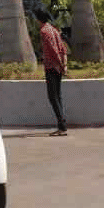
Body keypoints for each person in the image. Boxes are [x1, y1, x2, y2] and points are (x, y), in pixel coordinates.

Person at [36, 8, 68, 136]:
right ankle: (62, 124)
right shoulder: (53, 29)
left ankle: (62, 126)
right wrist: (64, 65)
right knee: (57, 96)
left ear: (38, 19)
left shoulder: (44, 31)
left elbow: (53, 49)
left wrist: (59, 64)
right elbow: (62, 48)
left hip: (51, 67)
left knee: (52, 96)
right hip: (58, 67)